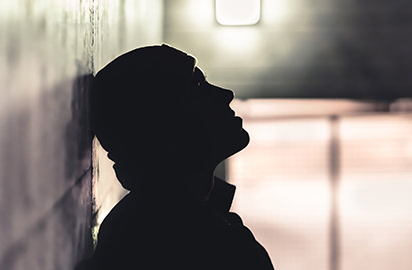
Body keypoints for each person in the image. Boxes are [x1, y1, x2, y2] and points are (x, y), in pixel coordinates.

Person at [80, 44, 274, 269]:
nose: (225, 94)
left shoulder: (159, 221)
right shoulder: (174, 241)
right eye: (198, 87)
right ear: (164, 129)